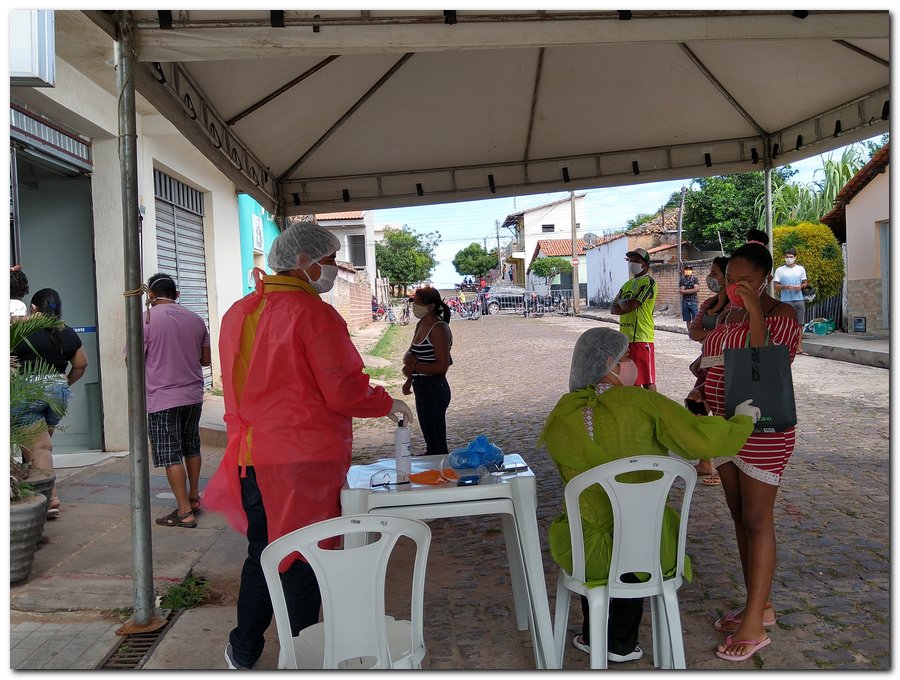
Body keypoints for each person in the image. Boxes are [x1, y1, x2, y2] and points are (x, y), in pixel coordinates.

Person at [203, 221, 412, 670]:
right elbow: (342, 390)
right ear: (302, 262)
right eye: (328, 260)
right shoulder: (313, 314)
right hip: (303, 458)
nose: (333, 270)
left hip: (252, 454)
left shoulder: (240, 311)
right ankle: (302, 657)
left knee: (264, 551)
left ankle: (244, 650)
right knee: (303, 556)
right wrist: (385, 401)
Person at [539, 327, 753, 663]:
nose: (631, 364)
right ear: (610, 363)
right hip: (651, 549)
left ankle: (594, 635)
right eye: (625, 358)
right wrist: (741, 423)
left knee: (595, 532)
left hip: (586, 551)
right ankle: (622, 642)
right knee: (634, 529)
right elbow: (700, 439)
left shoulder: (563, 413)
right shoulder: (644, 401)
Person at [696, 241, 799, 662]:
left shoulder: (781, 314)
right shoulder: (729, 312)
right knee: (740, 518)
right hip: (725, 428)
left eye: (745, 281)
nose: (736, 287)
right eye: (730, 279)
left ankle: (755, 623)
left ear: (765, 279)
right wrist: (701, 380)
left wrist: (754, 307)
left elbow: (763, 359)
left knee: (758, 518)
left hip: (763, 429)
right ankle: (760, 604)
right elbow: (707, 350)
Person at [12, 288, 89, 519]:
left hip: (28, 391)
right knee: (39, 446)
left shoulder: (19, 329)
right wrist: (65, 382)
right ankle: (41, 492)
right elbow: (81, 363)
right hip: (56, 392)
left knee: (39, 448)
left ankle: (50, 497)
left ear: (33, 308)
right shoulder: (65, 331)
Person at [142, 273, 212, 529]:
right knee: (191, 445)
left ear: (150, 295)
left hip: (162, 397)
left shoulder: (146, 319)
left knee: (169, 452)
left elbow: (133, 361)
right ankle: (193, 498)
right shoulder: (196, 319)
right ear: (177, 295)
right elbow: (205, 361)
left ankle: (184, 512)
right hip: (193, 395)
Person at [686, 256, 731, 485]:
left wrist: (709, 334)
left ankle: (723, 468)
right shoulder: (708, 304)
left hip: (726, 365)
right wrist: (717, 334)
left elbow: (729, 335)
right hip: (706, 363)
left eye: (715, 273)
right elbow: (693, 332)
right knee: (696, 407)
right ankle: (705, 461)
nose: (711, 277)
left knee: (723, 415)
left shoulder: (735, 307)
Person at [402, 287, 453, 456]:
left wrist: (414, 368)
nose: (414, 306)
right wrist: (409, 378)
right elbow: (412, 352)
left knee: (437, 440)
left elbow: (441, 367)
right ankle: (433, 467)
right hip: (421, 386)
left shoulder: (439, 329)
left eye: (417, 303)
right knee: (429, 437)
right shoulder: (421, 323)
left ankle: (441, 473)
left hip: (434, 388)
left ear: (430, 306)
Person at [610, 247, 658, 391]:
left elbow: (632, 305)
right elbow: (613, 309)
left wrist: (622, 301)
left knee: (647, 380)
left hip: (642, 337)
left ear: (645, 264)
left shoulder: (648, 283)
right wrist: (623, 302)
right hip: (626, 338)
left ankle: (654, 409)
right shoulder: (627, 284)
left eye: (636, 261)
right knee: (631, 380)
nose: (632, 263)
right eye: (630, 261)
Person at [773, 247, 809, 355]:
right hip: (786, 301)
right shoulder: (780, 270)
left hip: (799, 300)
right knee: (786, 325)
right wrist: (785, 287)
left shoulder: (800, 269)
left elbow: (805, 283)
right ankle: (787, 348)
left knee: (799, 325)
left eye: (791, 257)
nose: (789, 259)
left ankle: (799, 348)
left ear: (795, 258)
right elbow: (776, 286)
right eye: (787, 257)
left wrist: (800, 287)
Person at [678, 263, 700, 332]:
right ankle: (690, 333)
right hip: (685, 302)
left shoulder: (695, 279)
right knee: (687, 320)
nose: (687, 271)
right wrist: (693, 290)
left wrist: (685, 291)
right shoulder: (682, 280)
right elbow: (681, 291)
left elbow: (697, 289)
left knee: (695, 318)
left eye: (689, 269)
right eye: (686, 269)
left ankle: (694, 332)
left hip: (693, 301)